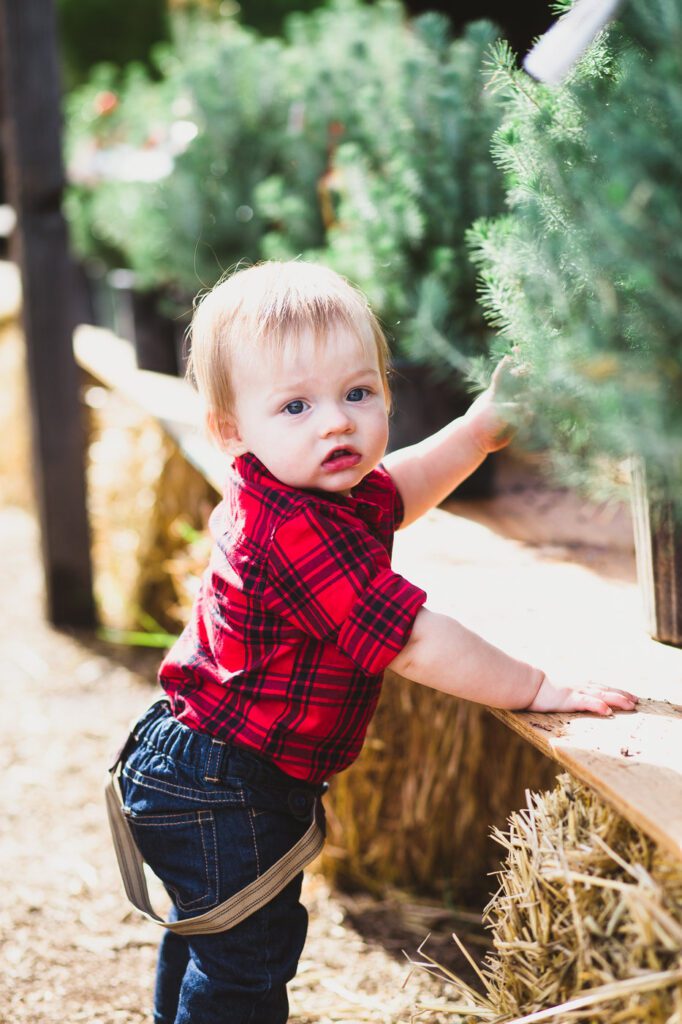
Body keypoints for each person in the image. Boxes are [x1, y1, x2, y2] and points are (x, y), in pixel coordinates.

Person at [114, 260, 637, 1024]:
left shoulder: (306, 487)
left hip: (208, 768)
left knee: (213, 931)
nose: (337, 421)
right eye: (296, 405)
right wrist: (536, 688)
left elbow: (399, 489)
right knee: (246, 964)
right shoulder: (289, 531)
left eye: (358, 392)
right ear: (232, 433)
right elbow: (416, 642)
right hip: (224, 786)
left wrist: (475, 434)